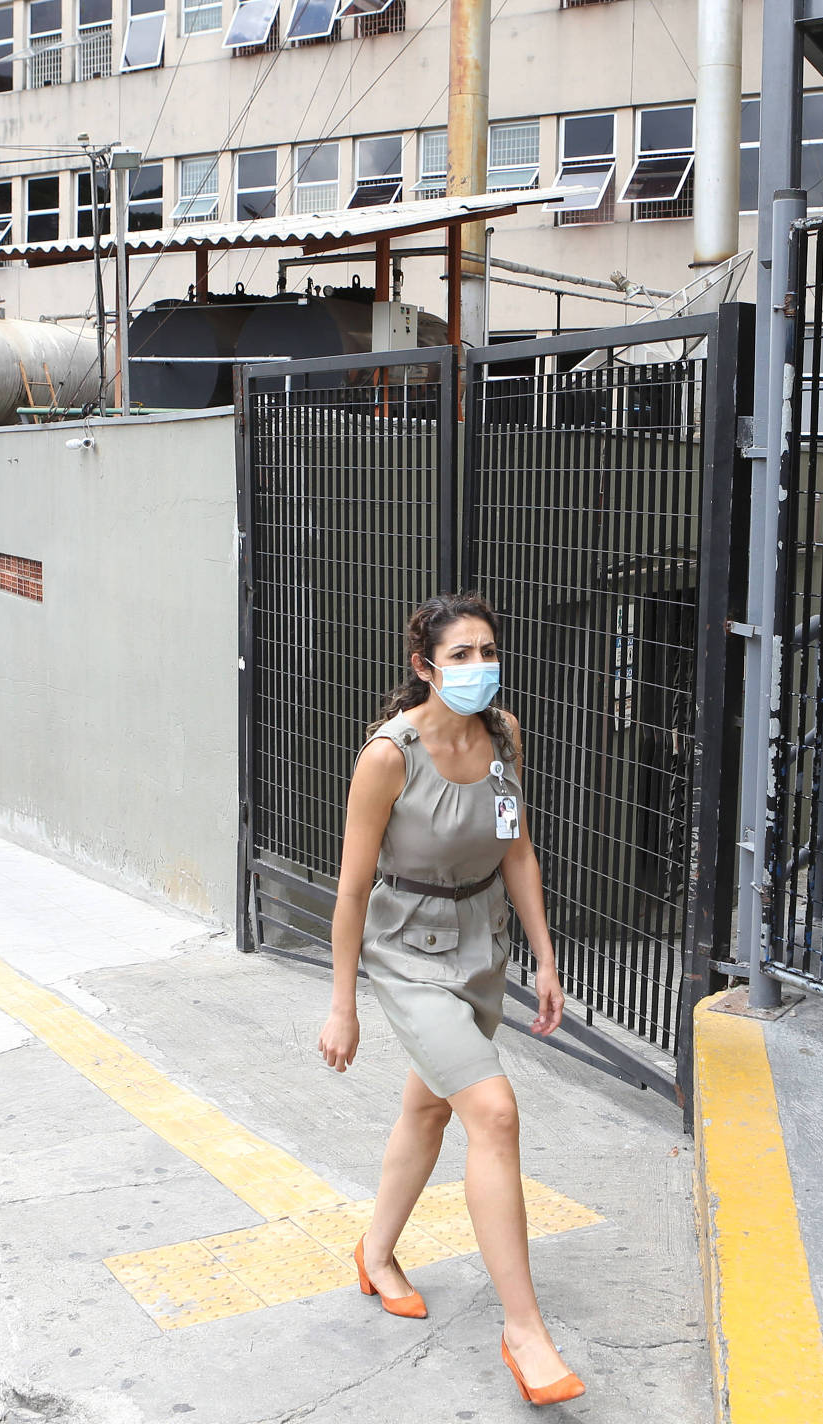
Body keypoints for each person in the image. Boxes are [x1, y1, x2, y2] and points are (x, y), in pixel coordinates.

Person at [315, 593, 585, 1407]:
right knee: (493, 1113)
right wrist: (343, 1003)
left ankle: (377, 1251)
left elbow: (518, 851)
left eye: (487, 651)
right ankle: (525, 1332)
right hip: (407, 953)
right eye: (460, 655)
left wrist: (543, 957)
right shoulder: (388, 758)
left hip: (481, 948)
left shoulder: (504, 736)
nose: (478, 668)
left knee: (430, 1110)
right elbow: (352, 889)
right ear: (423, 667)